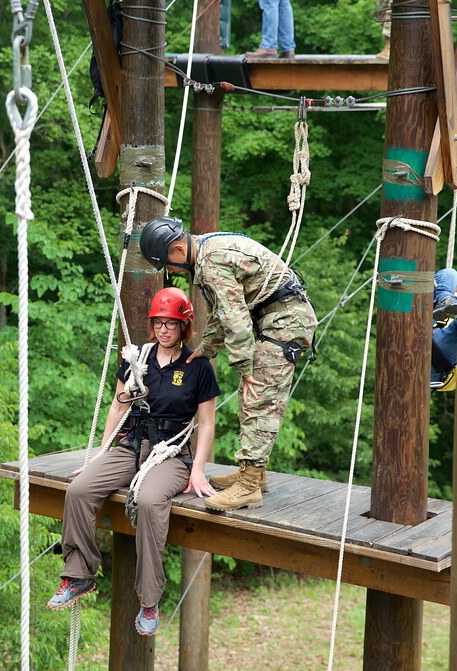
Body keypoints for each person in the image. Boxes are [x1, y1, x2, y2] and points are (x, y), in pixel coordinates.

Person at [46, 287, 220, 636]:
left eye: (171, 323)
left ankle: (149, 599)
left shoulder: (198, 366)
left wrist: (198, 468)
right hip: (131, 445)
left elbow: (207, 422)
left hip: (170, 453)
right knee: (79, 490)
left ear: (183, 326)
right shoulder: (137, 358)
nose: (164, 329)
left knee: (151, 500)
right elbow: (117, 405)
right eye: (158, 322)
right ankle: (79, 574)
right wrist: (101, 451)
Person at [137, 217, 317, 512]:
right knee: (255, 395)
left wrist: (245, 370)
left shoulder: (210, 262)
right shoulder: (209, 249)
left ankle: (248, 487)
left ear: (179, 250)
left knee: (257, 397)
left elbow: (236, 321)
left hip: (285, 320)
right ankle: (255, 474)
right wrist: (206, 349)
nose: (170, 271)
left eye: (167, 265)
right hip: (277, 317)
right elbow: (224, 313)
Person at [431, 267, 457, 392]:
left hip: (436, 356)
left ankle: (444, 297)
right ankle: (443, 298)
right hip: (429, 335)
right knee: (449, 274)